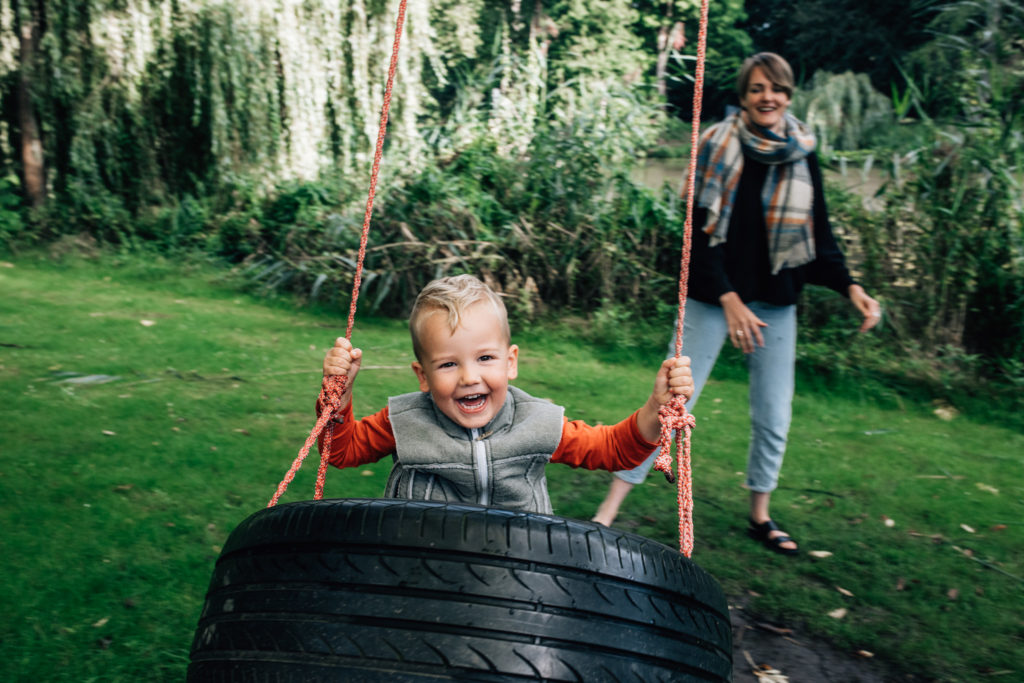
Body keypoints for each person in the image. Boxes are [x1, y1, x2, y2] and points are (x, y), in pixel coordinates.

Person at [592, 53, 882, 554]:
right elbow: (694, 238)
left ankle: (760, 516)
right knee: (671, 402)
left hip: (775, 301)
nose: (768, 97)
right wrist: (728, 299)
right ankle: (608, 510)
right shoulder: (717, 144)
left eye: (777, 89)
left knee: (774, 412)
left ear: (789, 95)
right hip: (711, 296)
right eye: (756, 89)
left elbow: (818, 230)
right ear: (744, 96)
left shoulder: (801, 149)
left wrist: (851, 286)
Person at [317, 274, 694, 514]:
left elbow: (613, 449)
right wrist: (340, 396)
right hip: (416, 565)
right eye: (448, 364)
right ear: (423, 376)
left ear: (510, 362)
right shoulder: (404, 422)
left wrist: (655, 408)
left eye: (485, 358)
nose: (469, 377)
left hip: (514, 567)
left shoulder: (538, 422)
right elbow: (341, 451)